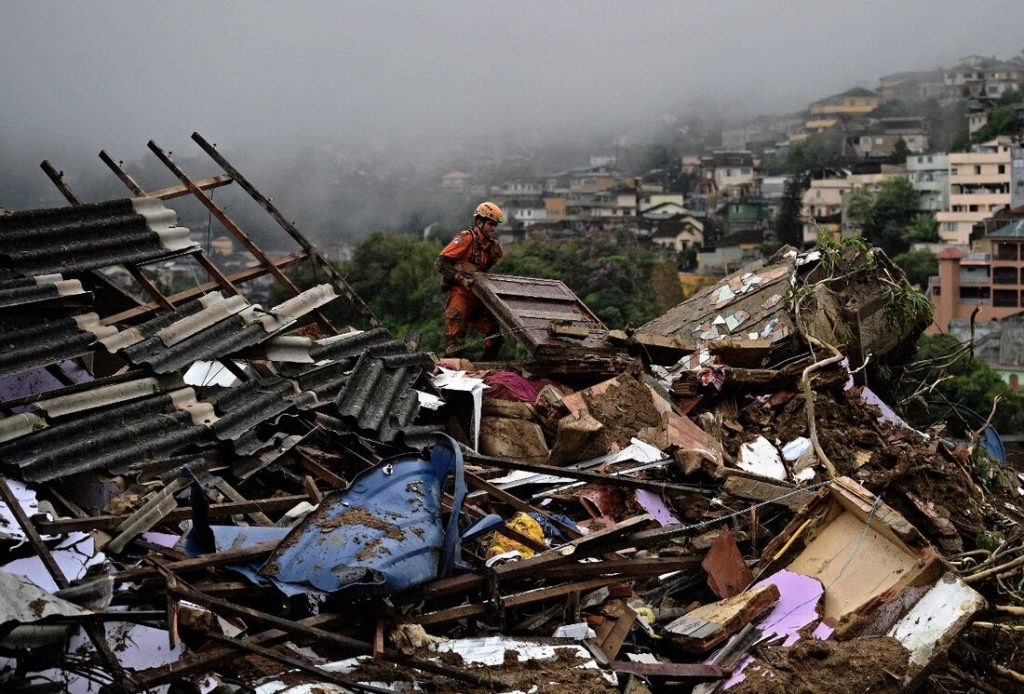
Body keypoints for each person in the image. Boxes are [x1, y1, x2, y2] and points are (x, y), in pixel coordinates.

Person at [436, 201, 506, 359]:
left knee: (495, 338)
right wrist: (460, 278)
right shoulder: (466, 238)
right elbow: (441, 262)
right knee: (457, 344)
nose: (493, 228)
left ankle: (485, 370)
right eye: (490, 224)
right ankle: (448, 375)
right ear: (480, 222)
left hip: (479, 295)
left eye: (495, 225)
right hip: (461, 293)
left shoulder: (493, 247)